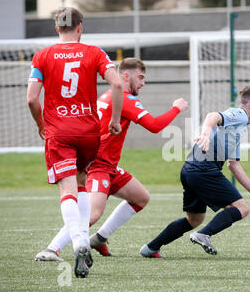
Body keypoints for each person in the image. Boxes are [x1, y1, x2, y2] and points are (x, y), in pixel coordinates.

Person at [34, 58, 188, 259]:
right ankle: (51, 249)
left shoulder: (108, 95)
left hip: (107, 165)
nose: (143, 83)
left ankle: (99, 238)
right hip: (98, 165)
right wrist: (176, 107)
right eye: (140, 77)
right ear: (125, 76)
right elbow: (154, 125)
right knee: (92, 214)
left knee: (141, 197)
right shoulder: (124, 98)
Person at [27, 7, 123, 278]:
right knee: (81, 184)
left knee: (67, 189)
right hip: (89, 132)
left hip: (59, 131)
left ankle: (80, 243)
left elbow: (32, 99)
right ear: (80, 27)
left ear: (57, 28)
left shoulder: (43, 55)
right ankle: (82, 241)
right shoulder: (94, 52)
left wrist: (40, 125)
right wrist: (114, 120)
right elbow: (116, 84)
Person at [140, 85, 250, 258]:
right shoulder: (239, 114)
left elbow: (233, 165)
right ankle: (204, 235)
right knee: (243, 208)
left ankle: (150, 248)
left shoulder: (240, 127)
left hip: (190, 169)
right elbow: (212, 116)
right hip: (204, 169)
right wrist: (205, 134)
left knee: (194, 219)